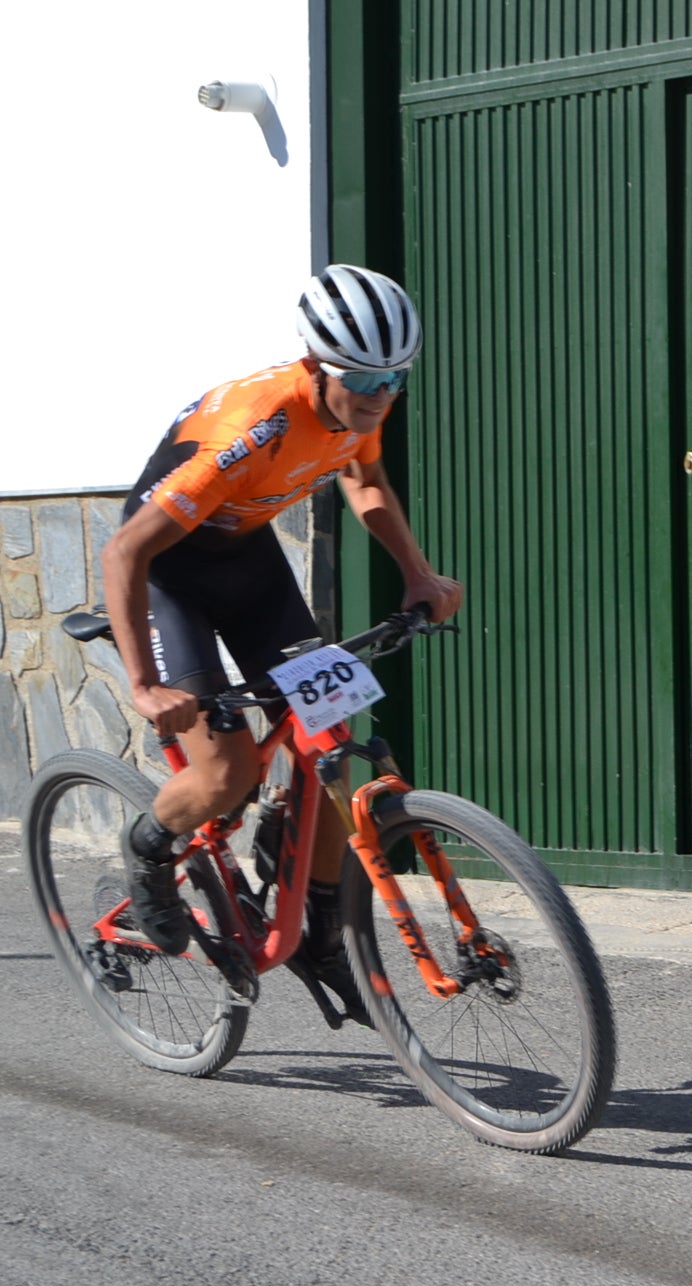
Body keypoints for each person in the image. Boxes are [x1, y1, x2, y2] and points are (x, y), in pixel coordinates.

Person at [102, 263, 464, 1023]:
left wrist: (419, 574)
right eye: (361, 376)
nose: (379, 393)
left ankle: (318, 925)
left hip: (249, 563)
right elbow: (127, 551)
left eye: (395, 376)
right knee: (227, 767)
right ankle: (148, 850)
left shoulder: (367, 405)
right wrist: (145, 686)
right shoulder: (252, 428)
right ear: (315, 366)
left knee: (332, 737)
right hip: (171, 572)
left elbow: (364, 484)